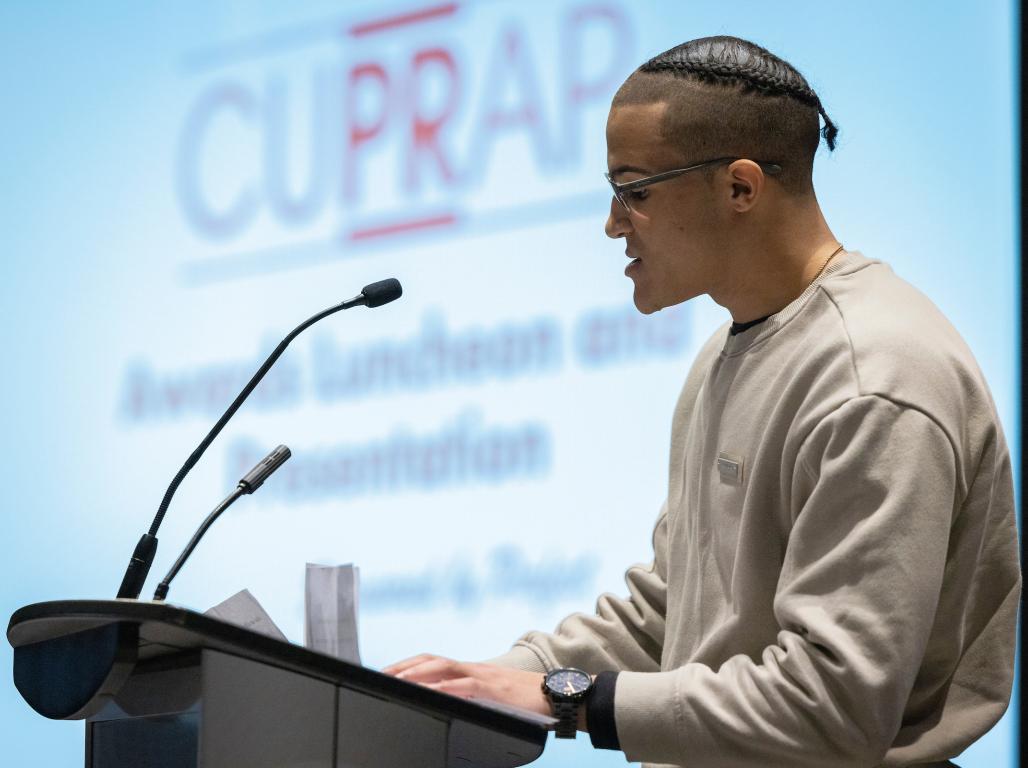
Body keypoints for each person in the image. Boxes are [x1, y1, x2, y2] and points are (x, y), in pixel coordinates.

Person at [384, 36, 1020, 768]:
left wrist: (571, 699)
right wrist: (491, 680)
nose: (613, 222)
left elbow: (834, 707)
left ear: (741, 188)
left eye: (635, 191)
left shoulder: (873, 376)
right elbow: (676, 608)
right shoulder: (724, 357)